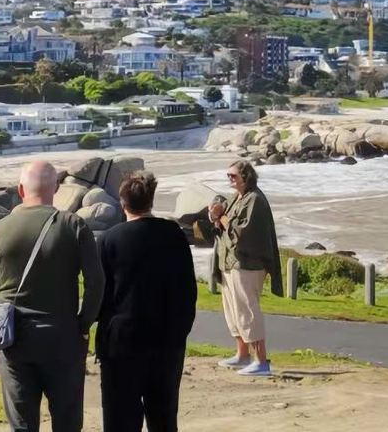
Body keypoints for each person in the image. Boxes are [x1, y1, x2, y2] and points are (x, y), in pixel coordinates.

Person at [0, 160, 104, 432]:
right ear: (55, 189)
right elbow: (96, 283)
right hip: (62, 338)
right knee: (67, 422)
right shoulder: (73, 225)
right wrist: (82, 325)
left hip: (14, 339)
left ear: (21, 190)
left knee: (22, 423)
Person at [97, 172, 197, 432]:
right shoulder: (173, 234)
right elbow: (188, 289)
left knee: (120, 421)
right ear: (151, 200)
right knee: (164, 419)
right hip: (166, 340)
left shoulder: (109, 239)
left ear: (122, 203)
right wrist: (181, 331)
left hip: (121, 342)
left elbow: (101, 295)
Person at [209, 159, 281, 376]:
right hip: (230, 262)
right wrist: (215, 214)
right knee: (233, 312)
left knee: (248, 313)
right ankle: (242, 355)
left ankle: (261, 362)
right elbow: (224, 221)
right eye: (228, 176)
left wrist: (221, 217)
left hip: (247, 264)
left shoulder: (255, 199)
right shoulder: (237, 197)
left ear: (246, 177)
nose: (230, 179)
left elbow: (241, 231)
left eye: (233, 176)